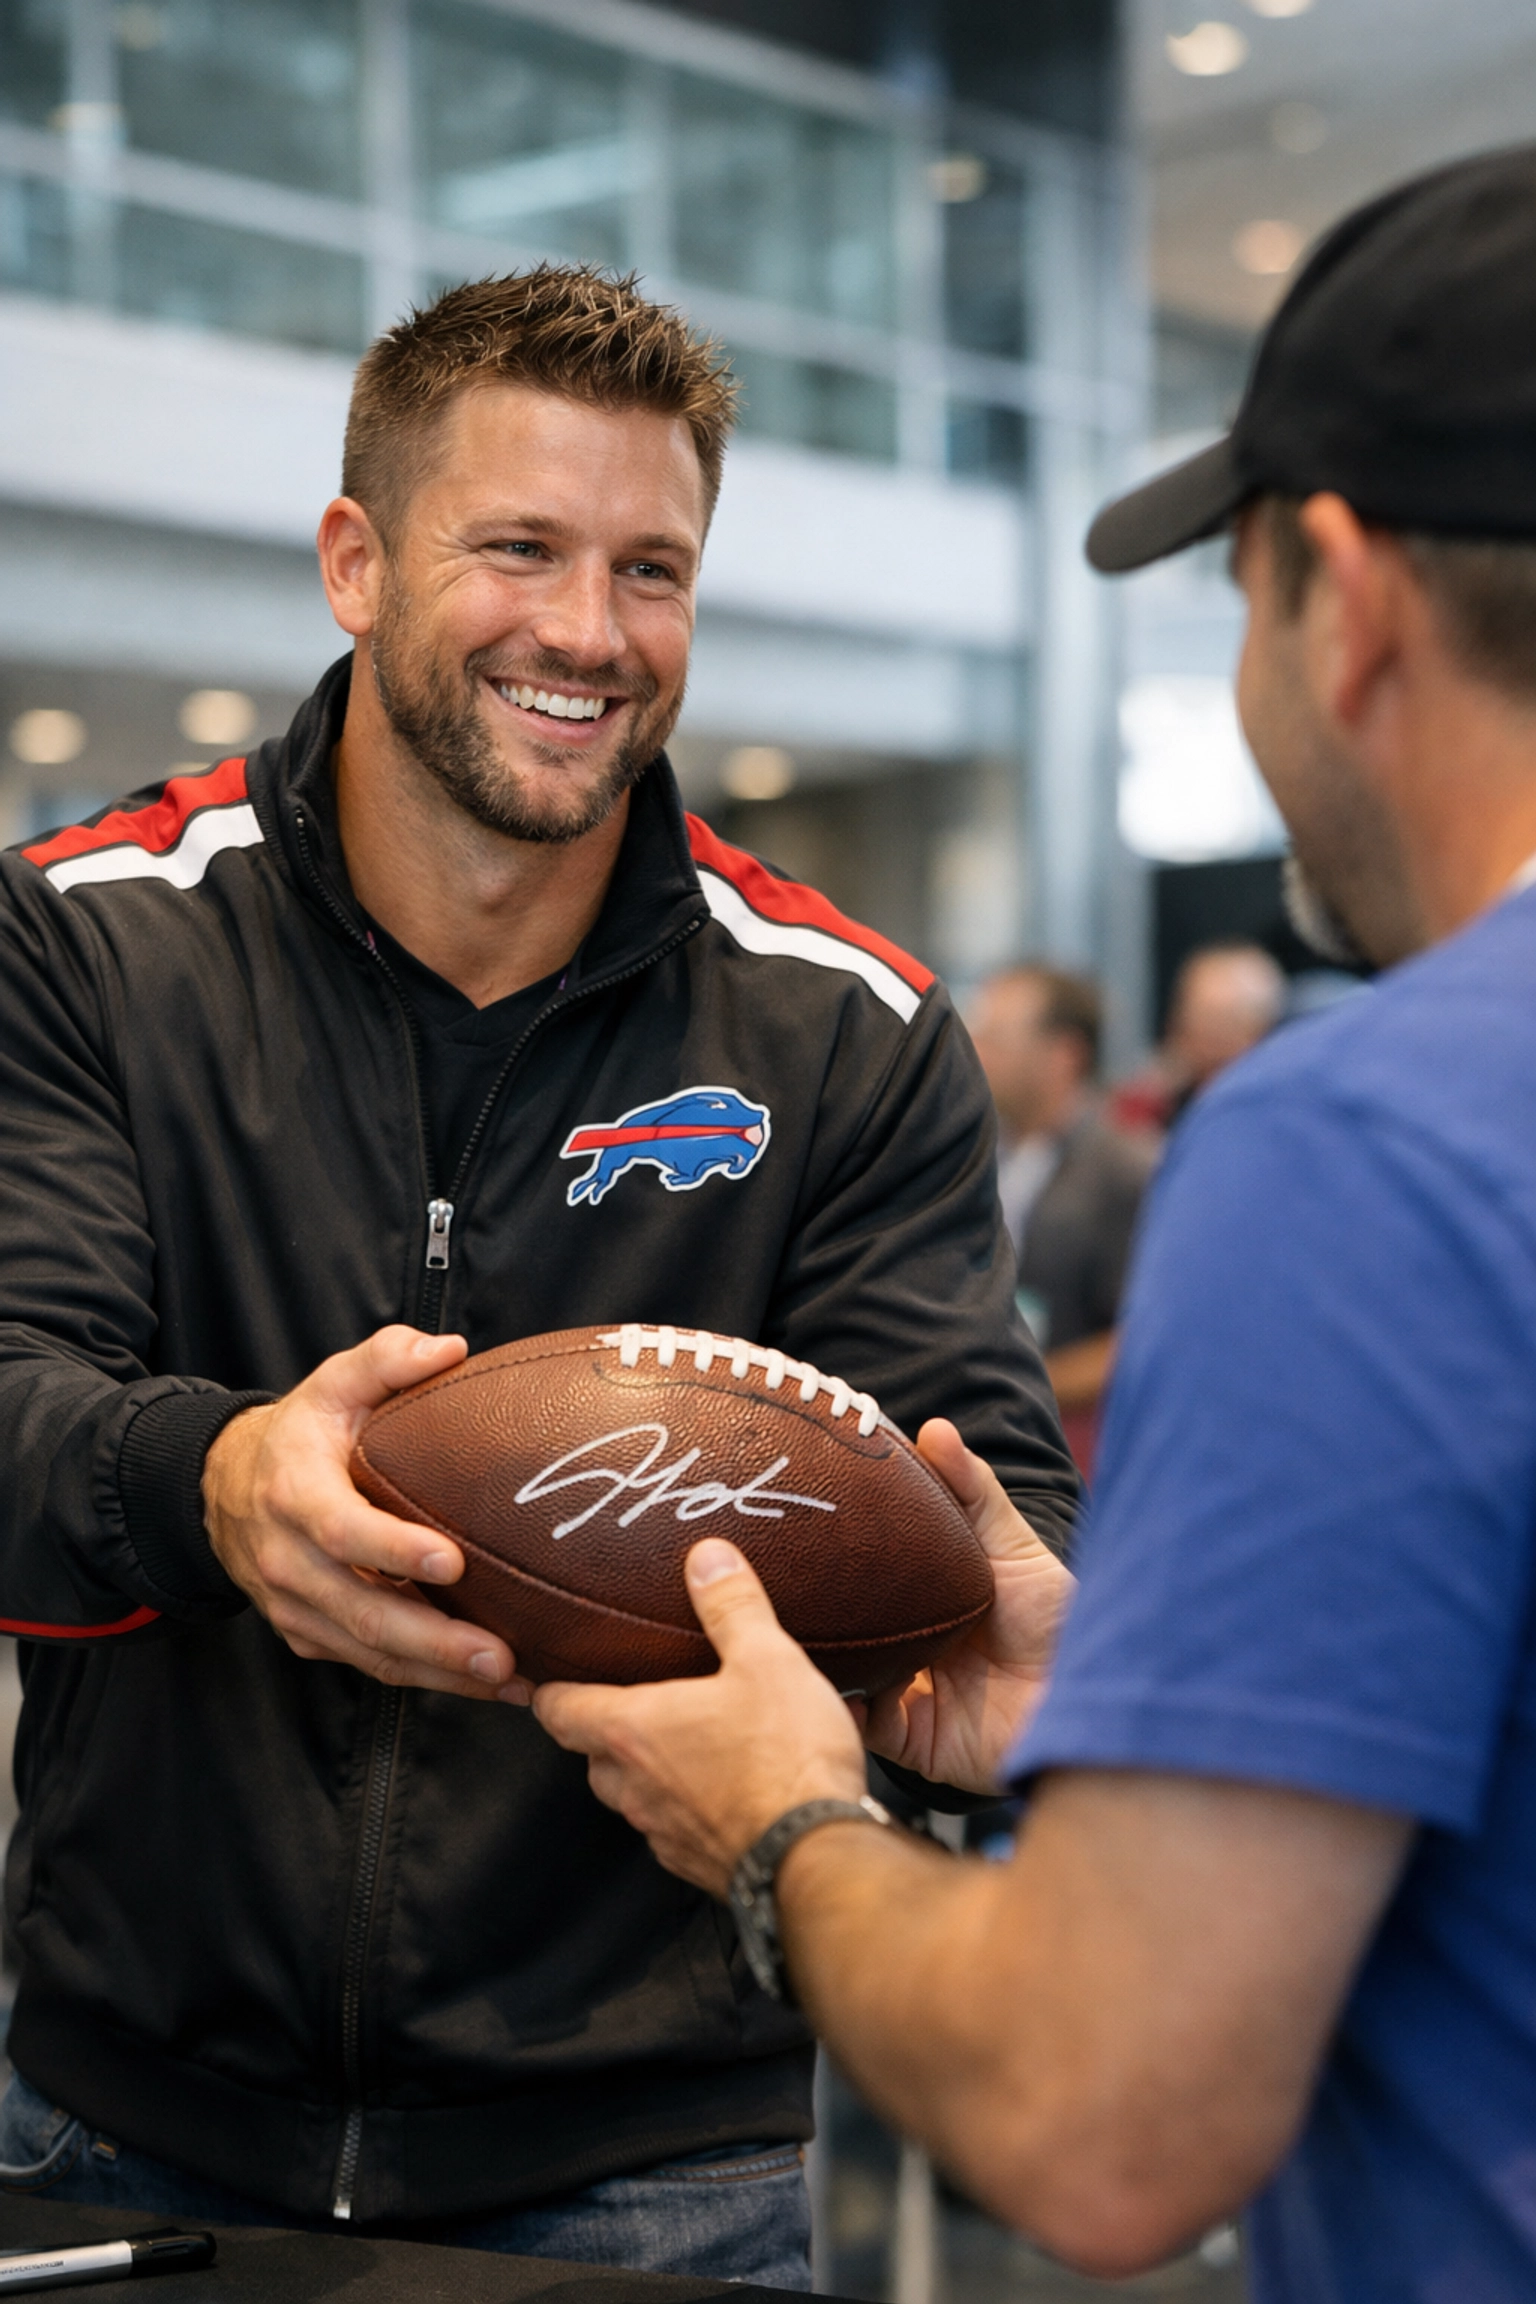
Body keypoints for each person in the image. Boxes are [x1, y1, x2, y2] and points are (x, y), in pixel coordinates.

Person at [0, 267, 1078, 2279]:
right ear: (358, 558)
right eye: (522, 548)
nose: (589, 633)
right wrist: (215, 1480)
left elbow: (979, 1503)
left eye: (651, 568)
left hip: (663, 2167)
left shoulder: (847, 1027)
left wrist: (941, 1674)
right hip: (125, 2122)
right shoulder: (89, 941)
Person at [533, 147, 1536, 2301]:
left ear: (1334, 595)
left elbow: (1107, 2123)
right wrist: (1146, 1695)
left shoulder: (1369, 1138)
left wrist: (790, 1827)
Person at [968, 966, 1152, 1464]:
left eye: (995, 1037)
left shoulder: (1126, 1171)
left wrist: (1018, 1380)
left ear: (1063, 1055)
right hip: (992, 1433)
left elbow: (1144, 1338)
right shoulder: (977, 1156)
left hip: (1080, 1455)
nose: (975, 1052)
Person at [1109, 939, 1286, 1137]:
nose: (1203, 1039)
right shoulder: (1153, 1099)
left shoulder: (1276, 1106)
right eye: (1192, 1019)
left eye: (1221, 1023)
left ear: (1260, 1030)